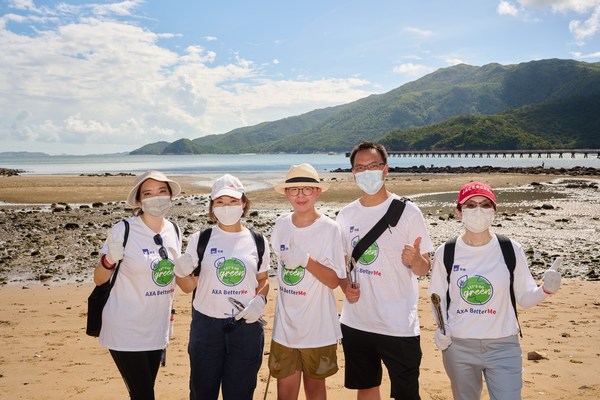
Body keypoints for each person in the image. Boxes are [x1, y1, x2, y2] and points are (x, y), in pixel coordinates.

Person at [428, 182, 562, 400]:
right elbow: (437, 297)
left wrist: (546, 290)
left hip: (504, 346)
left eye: (485, 204)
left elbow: (525, 299)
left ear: (494, 211)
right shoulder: (447, 251)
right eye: (470, 205)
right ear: (458, 211)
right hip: (459, 347)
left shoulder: (510, 249)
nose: (478, 210)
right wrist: (442, 329)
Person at [336, 141, 434, 400]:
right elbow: (343, 264)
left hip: (399, 323)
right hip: (357, 321)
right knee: (366, 387)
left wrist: (415, 260)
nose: (367, 171)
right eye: (360, 167)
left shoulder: (408, 212)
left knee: (406, 393)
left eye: (374, 165)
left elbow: (424, 268)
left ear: (385, 169)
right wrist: (346, 287)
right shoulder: (346, 215)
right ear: (353, 173)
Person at [172, 174, 270, 400]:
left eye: (233, 201)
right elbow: (188, 287)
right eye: (220, 202)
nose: (227, 207)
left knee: (241, 393)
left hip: (246, 327)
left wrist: (260, 301)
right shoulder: (201, 239)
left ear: (243, 203)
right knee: (202, 392)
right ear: (212, 206)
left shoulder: (258, 240)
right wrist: (179, 272)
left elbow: (263, 279)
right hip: (206, 328)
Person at [94, 170, 182, 400]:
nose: (156, 197)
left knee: (142, 391)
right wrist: (109, 260)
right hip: (126, 328)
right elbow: (99, 279)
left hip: (157, 327)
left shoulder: (174, 230)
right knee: (144, 394)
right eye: (148, 193)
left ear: (171, 196)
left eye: (162, 191)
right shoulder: (124, 229)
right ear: (140, 200)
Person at [268, 163, 346, 400]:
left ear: (317, 192)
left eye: (307, 189)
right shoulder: (281, 225)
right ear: (286, 194)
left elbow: (334, 281)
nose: (300, 195)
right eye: (294, 190)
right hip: (285, 329)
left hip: (318, 328)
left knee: (315, 390)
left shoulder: (330, 229)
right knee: (285, 393)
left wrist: (306, 260)